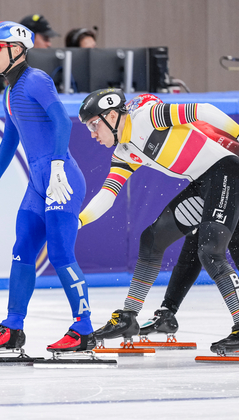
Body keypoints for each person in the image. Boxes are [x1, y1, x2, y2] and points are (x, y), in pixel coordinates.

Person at [77, 89, 239, 354]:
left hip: (228, 171)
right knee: (152, 239)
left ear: (112, 116)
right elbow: (107, 195)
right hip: (202, 183)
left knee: (210, 251)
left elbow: (205, 111)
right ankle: (129, 316)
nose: (93, 134)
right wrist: (78, 222)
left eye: (94, 125)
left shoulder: (148, 117)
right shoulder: (123, 152)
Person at [0, 21, 93, 354]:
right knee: (22, 250)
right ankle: (13, 328)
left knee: (59, 254)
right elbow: (10, 139)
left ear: (17, 49)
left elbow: (60, 119)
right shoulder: (10, 92)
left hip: (62, 180)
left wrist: (58, 163)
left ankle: (83, 329)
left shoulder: (37, 80)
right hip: (39, 183)